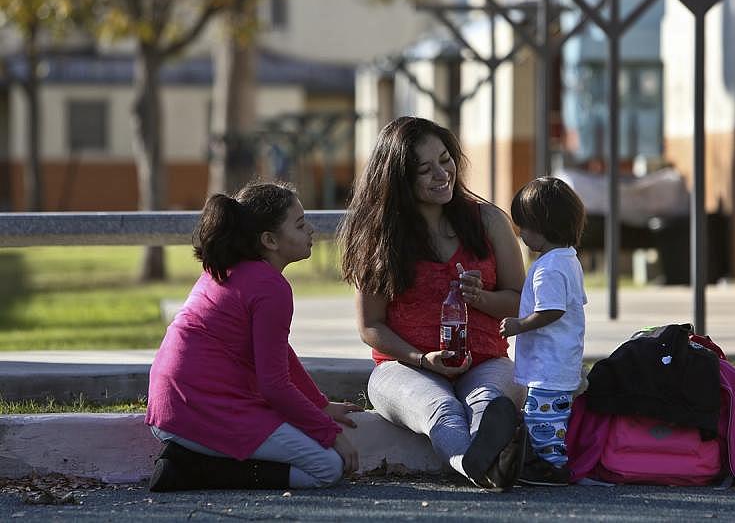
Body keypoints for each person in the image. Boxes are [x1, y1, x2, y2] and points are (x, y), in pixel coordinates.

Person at [338, 116, 527, 489]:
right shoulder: (379, 235)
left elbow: (520, 302)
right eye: (425, 169)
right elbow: (370, 326)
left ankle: (482, 463)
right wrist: (423, 360)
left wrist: (482, 298)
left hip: (485, 360)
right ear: (399, 181)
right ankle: (478, 466)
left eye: (445, 159)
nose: (442, 174)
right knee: (441, 410)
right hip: (404, 367)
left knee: (487, 403)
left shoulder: (488, 220)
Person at [146, 181, 361, 492]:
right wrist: (330, 432)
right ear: (270, 240)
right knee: (327, 467)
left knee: (318, 457)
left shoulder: (230, 268)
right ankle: (188, 469)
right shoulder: (269, 287)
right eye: (300, 225)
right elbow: (274, 386)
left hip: (170, 408)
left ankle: (187, 459)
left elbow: (278, 352)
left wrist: (320, 405)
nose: (311, 230)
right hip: (196, 411)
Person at [499, 176, 587, 486]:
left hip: (549, 366)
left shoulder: (549, 267)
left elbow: (553, 310)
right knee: (550, 418)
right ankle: (547, 462)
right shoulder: (568, 259)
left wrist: (518, 325)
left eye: (524, 226)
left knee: (542, 420)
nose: (520, 233)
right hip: (560, 362)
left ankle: (551, 468)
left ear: (544, 226)